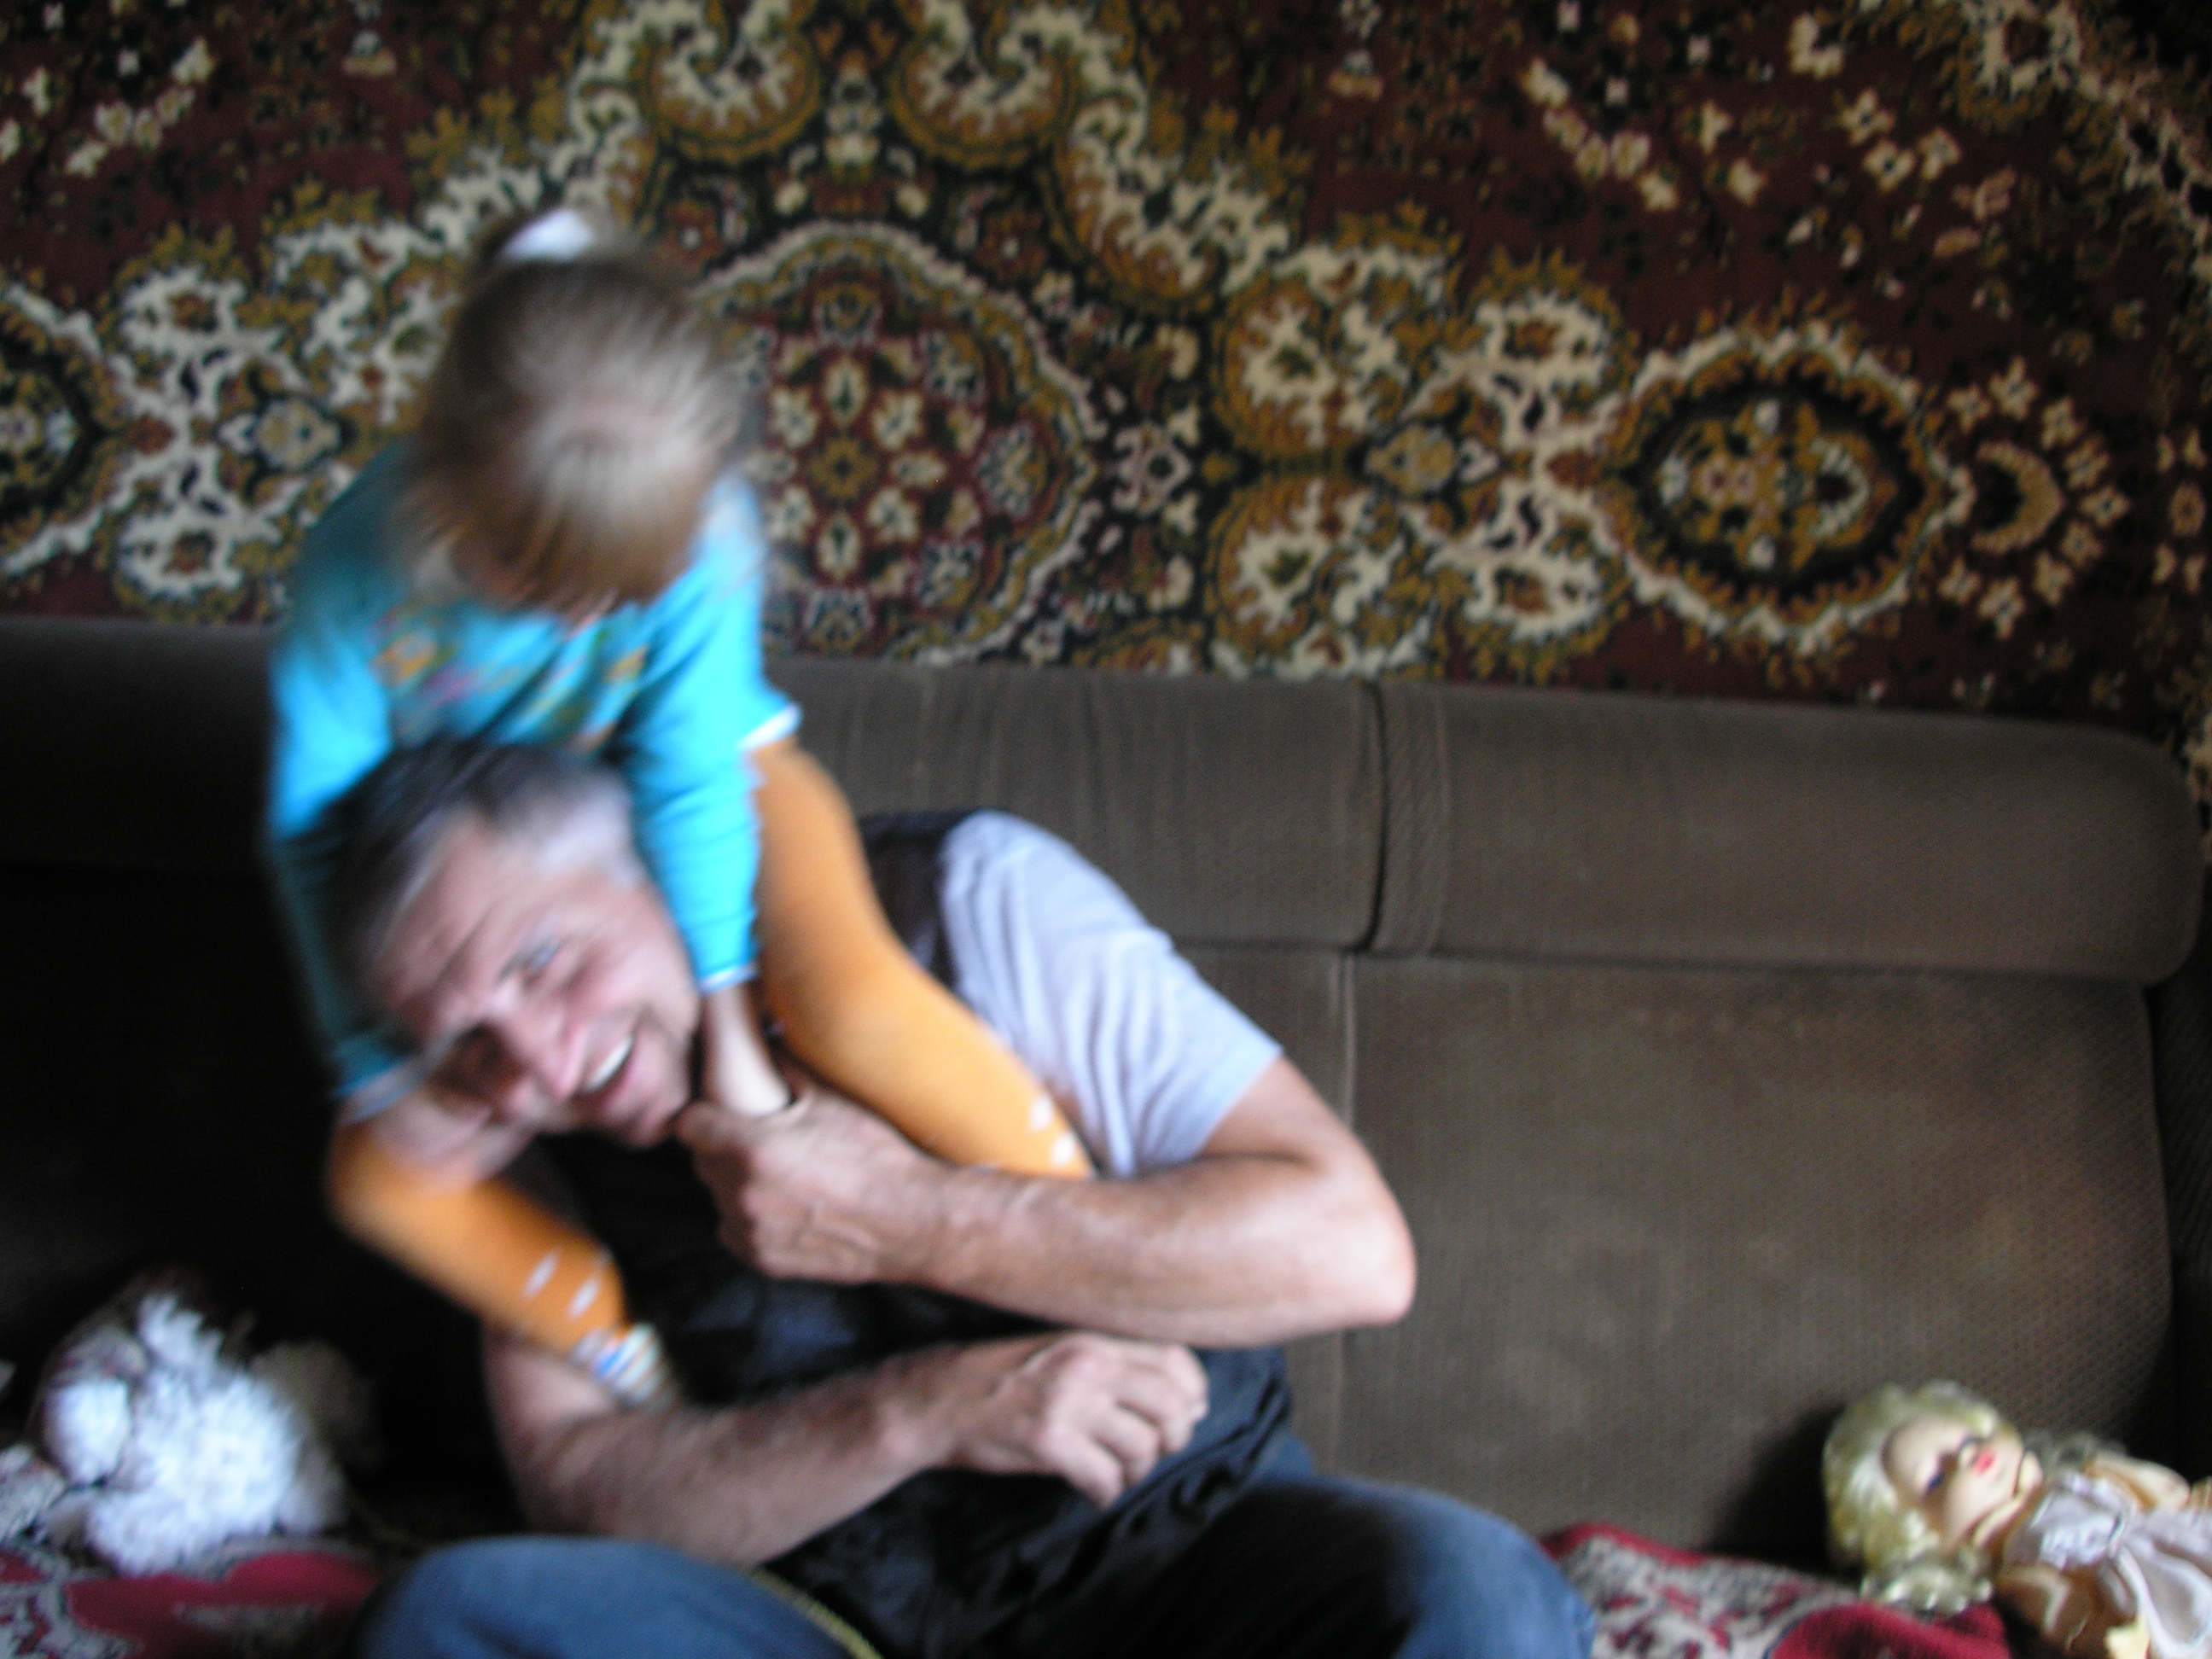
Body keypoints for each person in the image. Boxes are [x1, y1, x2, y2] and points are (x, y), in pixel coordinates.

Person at [335, 738, 1596, 1659]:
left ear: (667, 862)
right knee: (452, 1620)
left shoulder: (968, 905)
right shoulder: (503, 1144)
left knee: (1474, 1597)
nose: (541, 1066)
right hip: (832, 1630)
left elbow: (1351, 1248)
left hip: (1190, 1560)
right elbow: (584, 1498)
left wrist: (909, 1217)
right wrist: (920, 1411)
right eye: (469, 1039)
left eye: (543, 962)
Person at [264, 207, 1089, 1401]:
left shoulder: (709, 531)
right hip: (508, 852)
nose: (579, 623)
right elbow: (313, 831)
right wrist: (371, 1066)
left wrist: (729, 1018)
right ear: (443, 488)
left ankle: (1074, 1236)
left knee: (851, 1002)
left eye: (615, 598)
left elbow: (688, 773)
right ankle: (626, 1357)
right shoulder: (356, 568)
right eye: (534, 586)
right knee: (378, 1179)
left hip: (713, 785)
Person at [1825, 1380, 2212, 1659]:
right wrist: (2105, 1638)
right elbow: (2063, 1608)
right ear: (1924, 1540)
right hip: (2149, 1600)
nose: (1965, 1458)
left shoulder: (2086, 1474)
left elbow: (2156, 1493)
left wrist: (2195, 1500)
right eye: (1937, 1479)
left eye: (1968, 1441)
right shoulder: (2024, 1562)